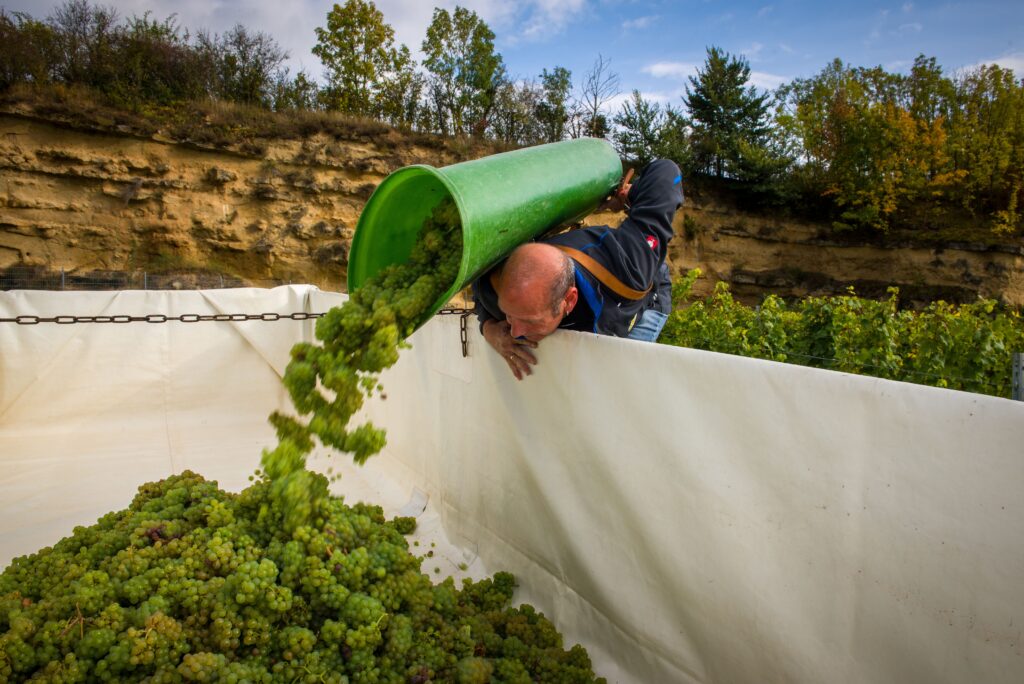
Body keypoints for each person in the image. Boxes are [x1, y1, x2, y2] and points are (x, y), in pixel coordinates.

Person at [471, 158, 684, 380]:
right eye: (508, 315)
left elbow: (666, 171)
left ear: (569, 301)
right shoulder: (504, 287)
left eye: (529, 321)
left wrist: (633, 195)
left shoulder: (632, 264)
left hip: (639, 302)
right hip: (572, 280)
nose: (515, 331)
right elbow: (481, 288)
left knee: (619, 382)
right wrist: (489, 328)